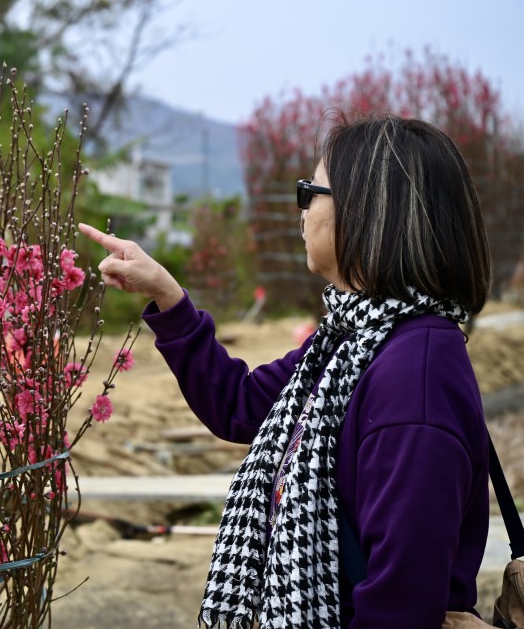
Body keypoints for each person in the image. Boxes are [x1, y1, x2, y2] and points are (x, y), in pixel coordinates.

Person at [79, 115, 492, 629]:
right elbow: (241, 405)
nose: (301, 210)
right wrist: (168, 296)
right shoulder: (355, 341)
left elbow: (400, 604)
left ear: (367, 209)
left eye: (310, 192)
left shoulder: (414, 379)